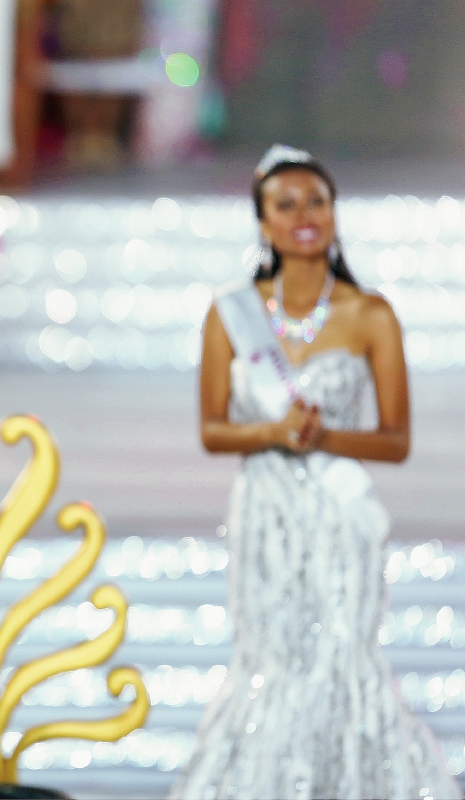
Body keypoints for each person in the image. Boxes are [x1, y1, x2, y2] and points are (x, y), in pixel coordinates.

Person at [171, 145, 462, 800]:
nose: (305, 215)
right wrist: (274, 432)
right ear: (263, 221)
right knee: (270, 661)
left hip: (341, 517)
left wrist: (326, 436)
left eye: (318, 201)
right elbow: (213, 430)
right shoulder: (231, 313)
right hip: (264, 514)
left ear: (334, 214)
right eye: (287, 203)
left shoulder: (371, 315)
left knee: (340, 657)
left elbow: (396, 441)